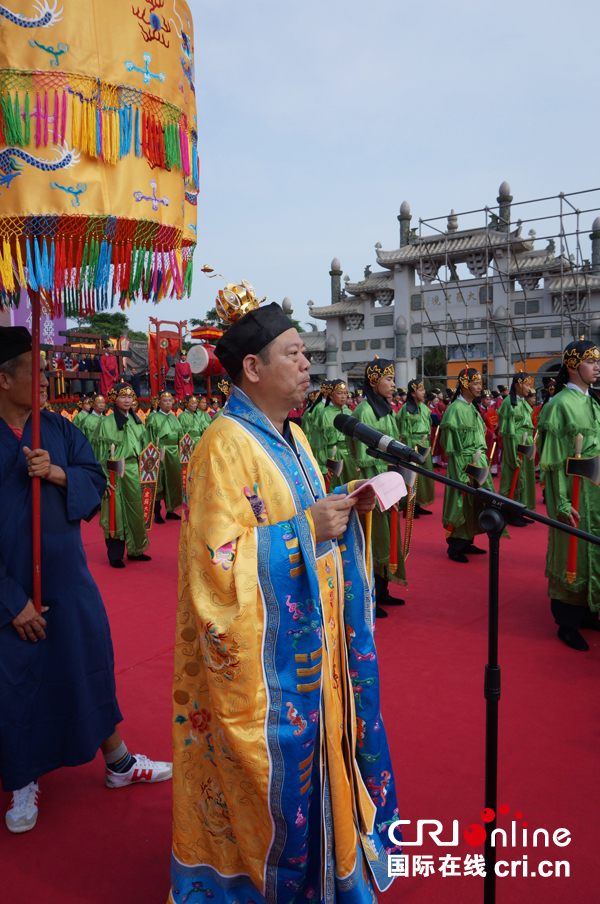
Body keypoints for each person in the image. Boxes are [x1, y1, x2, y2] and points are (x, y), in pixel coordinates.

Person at [169, 294, 398, 903]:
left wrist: (346, 503)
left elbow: (305, 516)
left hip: (310, 645)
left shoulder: (291, 435)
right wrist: (303, 533)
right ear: (252, 368)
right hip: (265, 665)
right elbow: (215, 562)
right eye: (294, 353)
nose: (307, 363)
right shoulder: (224, 443)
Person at [0, 327, 171, 835]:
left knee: (85, 660)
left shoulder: (58, 429)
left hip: (67, 574)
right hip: (11, 585)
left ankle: (118, 761)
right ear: (5, 379)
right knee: (17, 677)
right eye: (36, 370)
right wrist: (12, 602)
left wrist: (55, 473)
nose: (48, 376)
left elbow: (96, 480)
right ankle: (22, 777)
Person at [537, 340, 600, 651]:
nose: (597, 367)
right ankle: (567, 621)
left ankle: (588, 609)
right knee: (571, 551)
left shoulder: (593, 402)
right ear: (574, 366)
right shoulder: (560, 404)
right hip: (574, 495)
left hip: (595, 493)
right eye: (591, 361)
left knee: (592, 551)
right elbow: (553, 463)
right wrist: (561, 502)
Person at [348, 358, 406, 617]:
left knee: (386, 539)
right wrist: (383, 488)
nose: (393, 384)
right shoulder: (365, 411)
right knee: (373, 539)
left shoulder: (386, 407)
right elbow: (366, 457)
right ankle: (369, 596)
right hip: (376, 486)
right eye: (389, 379)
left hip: (389, 481)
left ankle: (382, 590)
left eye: (393, 379)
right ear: (374, 382)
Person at [90, 382, 151, 569]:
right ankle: (115, 555)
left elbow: (145, 447)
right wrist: (105, 478)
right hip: (114, 473)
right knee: (115, 513)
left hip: (135, 470)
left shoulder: (137, 420)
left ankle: (136, 549)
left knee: (136, 509)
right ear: (114, 399)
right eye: (123, 396)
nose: (127, 400)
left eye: (130, 396)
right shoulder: (106, 423)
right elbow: (100, 455)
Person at [441, 368, 494, 562]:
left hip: (477, 462)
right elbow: (453, 450)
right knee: (461, 503)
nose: (480, 387)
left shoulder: (472, 407)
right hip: (463, 465)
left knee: (474, 503)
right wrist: (462, 475)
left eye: (481, 383)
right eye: (476, 383)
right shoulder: (455, 409)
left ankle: (468, 541)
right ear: (464, 385)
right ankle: (455, 547)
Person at [498, 373, 536, 525]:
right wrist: (512, 455)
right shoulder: (509, 403)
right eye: (527, 385)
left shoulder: (524, 403)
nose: (529, 388)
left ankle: (520, 510)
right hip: (515, 446)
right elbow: (508, 434)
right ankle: (511, 513)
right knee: (514, 477)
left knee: (525, 478)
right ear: (517, 386)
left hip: (525, 445)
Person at [397, 378, 435, 515]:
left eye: (423, 389)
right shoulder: (406, 410)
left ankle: (418, 503)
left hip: (425, 444)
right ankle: (408, 506)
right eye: (420, 390)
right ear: (413, 393)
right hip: (413, 443)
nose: (424, 392)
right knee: (412, 474)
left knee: (424, 475)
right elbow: (404, 434)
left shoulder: (424, 408)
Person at [146, 390, 183, 523]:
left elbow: (180, 435)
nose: (168, 403)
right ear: (159, 403)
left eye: (170, 400)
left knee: (173, 481)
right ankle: (157, 512)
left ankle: (170, 510)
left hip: (174, 453)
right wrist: (153, 454)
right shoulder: (152, 418)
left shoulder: (174, 417)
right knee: (159, 481)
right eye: (165, 401)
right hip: (160, 452)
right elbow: (149, 438)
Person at [312, 378, 355, 489]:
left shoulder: (349, 412)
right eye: (339, 393)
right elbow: (319, 444)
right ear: (331, 395)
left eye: (345, 393)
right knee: (335, 488)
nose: (343, 396)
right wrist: (323, 466)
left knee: (351, 486)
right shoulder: (324, 414)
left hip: (349, 457)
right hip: (333, 456)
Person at [479, 389, 500, 475]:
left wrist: (497, 424)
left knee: (494, 452)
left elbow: (497, 418)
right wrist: (491, 433)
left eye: (490, 399)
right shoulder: (479, 410)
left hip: (492, 436)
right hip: (484, 437)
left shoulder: (491, 410)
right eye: (487, 399)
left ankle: (493, 470)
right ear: (482, 400)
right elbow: (481, 425)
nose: (489, 401)